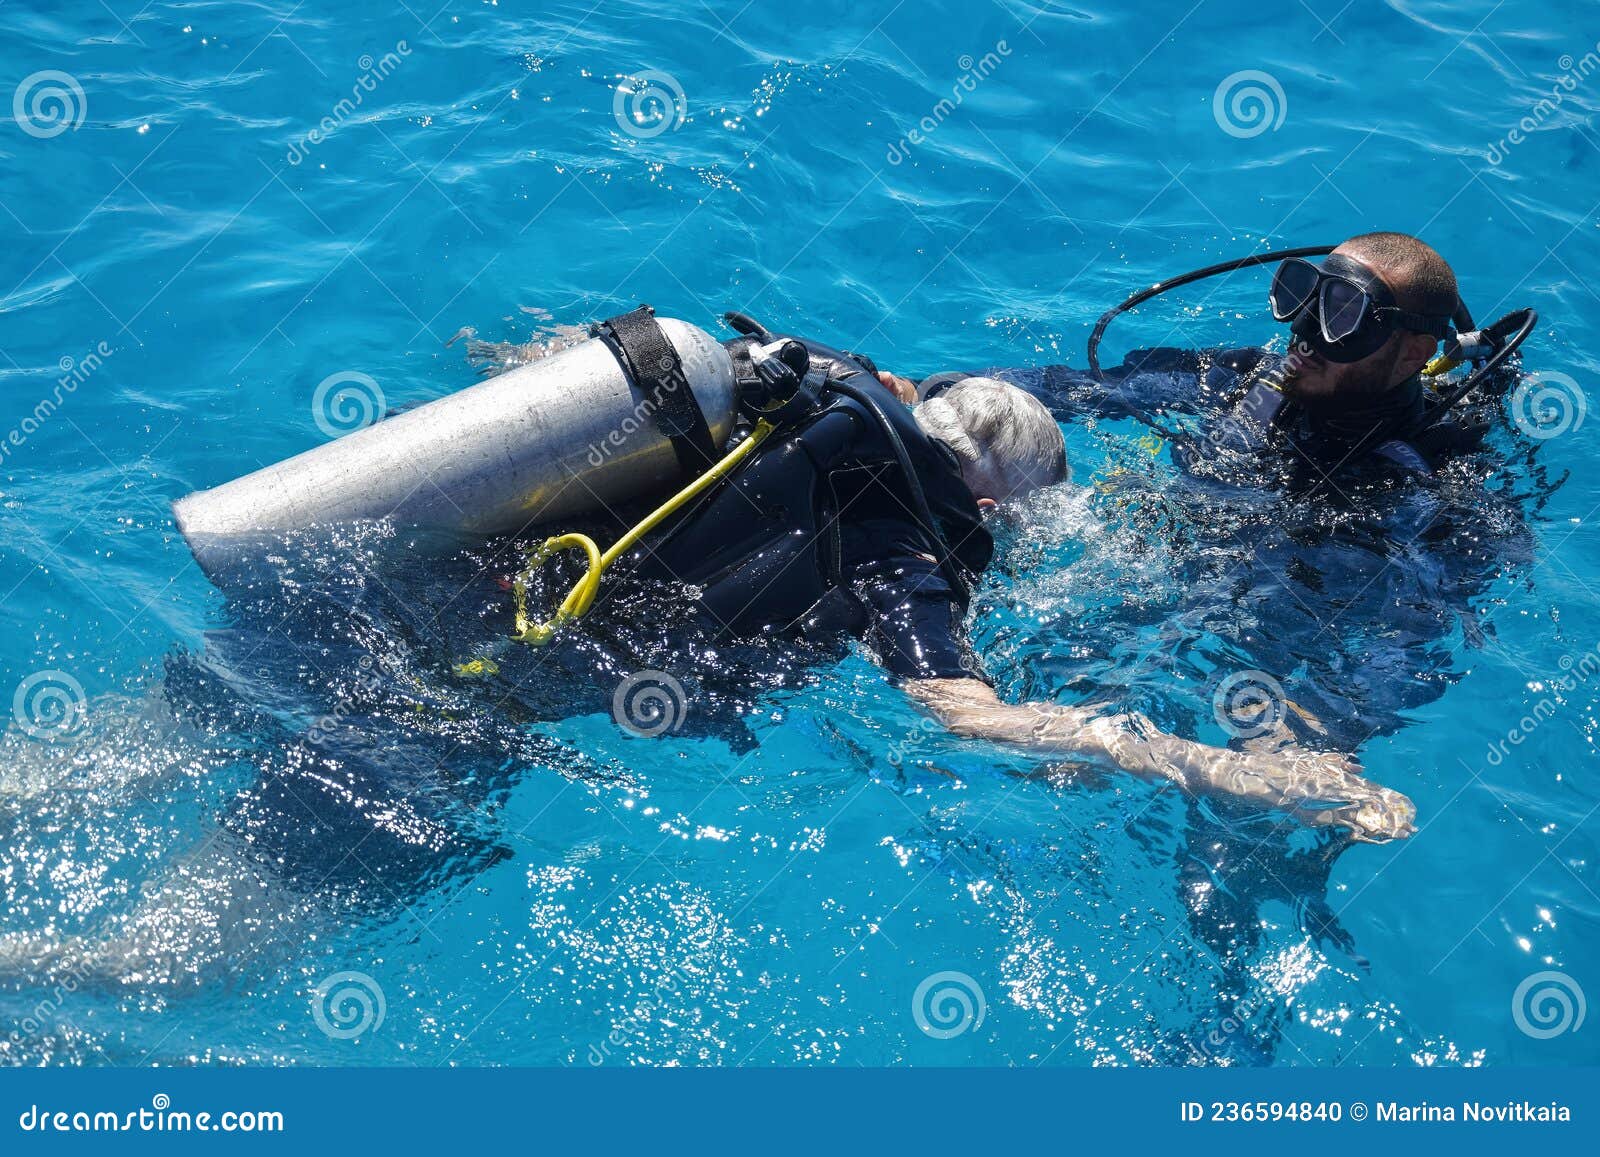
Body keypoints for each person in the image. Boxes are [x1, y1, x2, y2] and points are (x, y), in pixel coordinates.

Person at [632, 338, 1415, 842]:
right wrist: (1216, 767)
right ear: (985, 510)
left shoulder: (825, 394)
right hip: (613, 659)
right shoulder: (908, 563)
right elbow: (965, 714)